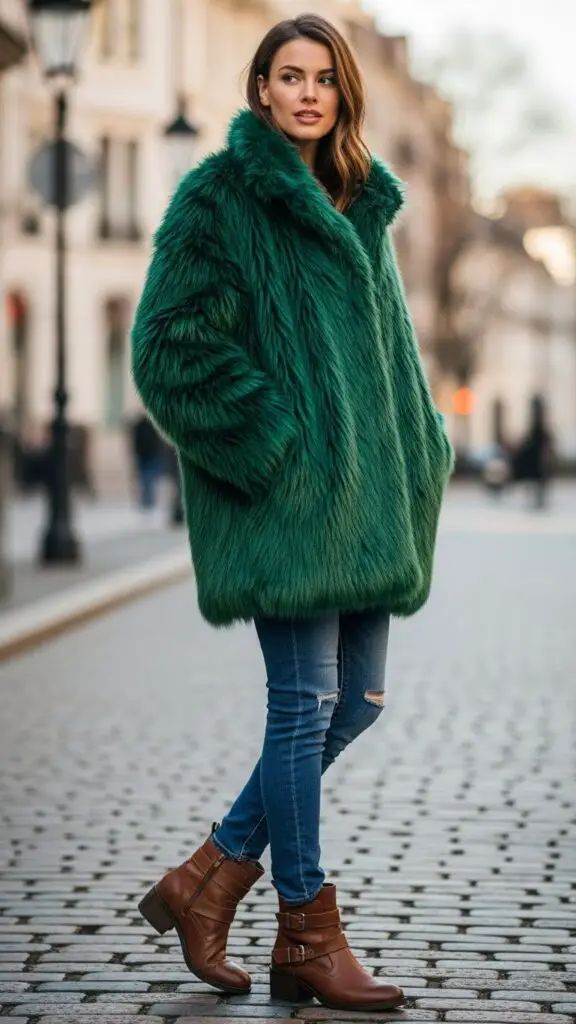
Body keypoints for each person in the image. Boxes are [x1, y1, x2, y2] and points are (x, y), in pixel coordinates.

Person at [131, 14, 453, 1012]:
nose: (307, 92)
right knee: (305, 702)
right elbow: (168, 344)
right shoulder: (219, 199)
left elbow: (387, 358)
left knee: (355, 703)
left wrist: (424, 445)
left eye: (324, 77)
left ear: (342, 93)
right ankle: (308, 930)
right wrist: (272, 444)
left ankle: (208, 877)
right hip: (289, 505)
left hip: (369, 507)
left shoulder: (359, 199)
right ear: (261, 89)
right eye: (288, 75)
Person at [512, 395, 554, 510]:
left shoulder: (538, 431)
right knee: (538, 481)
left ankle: (539, 500)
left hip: (538, 462)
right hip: (537, 462)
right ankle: (538, 500)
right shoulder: (537, 431)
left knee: (540, 481)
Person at [129, 411, 164, 509]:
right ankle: (148, 499)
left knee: (145, 478)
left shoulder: (138, 427)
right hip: (150, 454)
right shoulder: (152, 426)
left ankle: (147, 499)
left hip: (143, 455)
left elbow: (135, 442)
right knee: (149, 477)